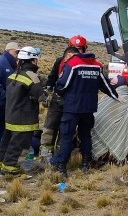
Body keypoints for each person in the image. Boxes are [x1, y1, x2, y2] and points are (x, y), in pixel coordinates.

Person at [49, 36, 118, 177]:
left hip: (72, 108)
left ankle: (61, 165)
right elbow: (105, 85)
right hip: (89, 108)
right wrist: (117, 96)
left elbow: (63, 84)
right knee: (86, 136)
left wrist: (58, 92)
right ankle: (86, 163)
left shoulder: (73, 64)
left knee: (67, 137)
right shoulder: (96, 65)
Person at [0, 46, 43, 175]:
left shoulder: (12, 75)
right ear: (33, 60)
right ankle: (11, 172)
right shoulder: (32, 76)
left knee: (5, 143)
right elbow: (41, 96)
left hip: (10, 116)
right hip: (24, 119)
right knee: (17, 147)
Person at [92, 65, 128, 164]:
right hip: (111, 133)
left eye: (112, 79)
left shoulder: (113, 97)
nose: (111, 79)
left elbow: (96, 115)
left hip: (101, 132)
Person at [39, 44, 81, 155]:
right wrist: (48, 91)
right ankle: (45, 154)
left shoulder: (81, 65)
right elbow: (52, 78)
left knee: (65, 131)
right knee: (49, 128)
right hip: (56, 101)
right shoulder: (59, 62)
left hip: (71, 103)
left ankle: (59, 156)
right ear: (66, 56)